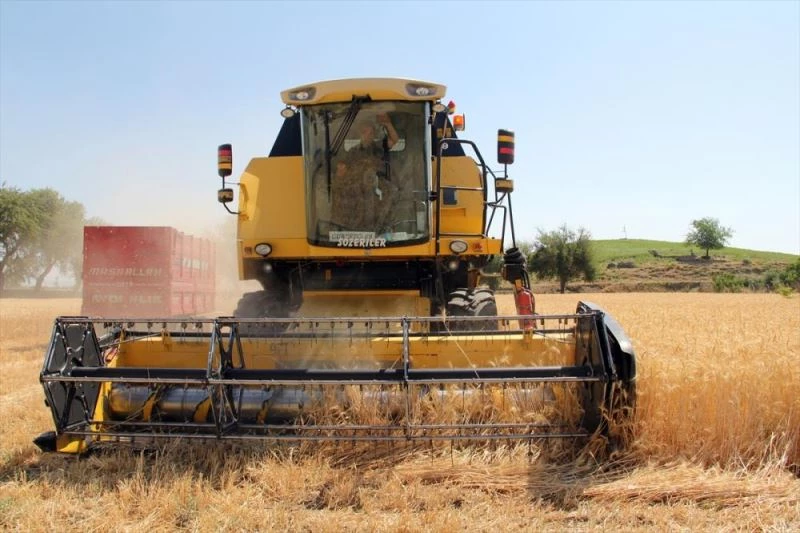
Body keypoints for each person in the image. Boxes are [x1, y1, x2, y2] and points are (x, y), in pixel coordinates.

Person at [330, 113, 400, 232]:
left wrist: (387, 124)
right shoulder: (352, 152)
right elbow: (343, 172)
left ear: (374, 134)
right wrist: (341, 173)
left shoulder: (380, 147)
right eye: (364, 132)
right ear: (359, 134)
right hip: (358, 194)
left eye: (370, 133)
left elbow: (394, 140)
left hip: (379, 191)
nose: (367, 135)